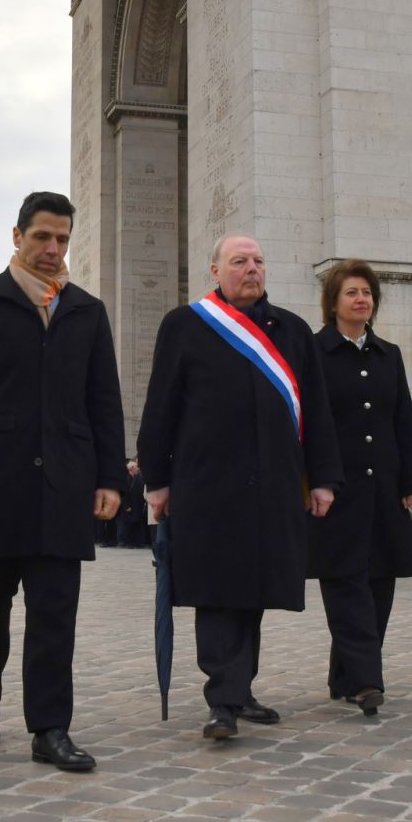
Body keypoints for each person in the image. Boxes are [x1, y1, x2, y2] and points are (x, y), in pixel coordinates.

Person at [0, 191, 125, 771]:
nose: (52, 249)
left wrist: (111, 477)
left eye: (62, 239)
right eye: (42, 236)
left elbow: (104, 401)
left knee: (55, 613)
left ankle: (50, 728)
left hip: (64, 483)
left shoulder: (87, 310)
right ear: (17, 236)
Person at [137, 235, 343, 740]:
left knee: (255, 588)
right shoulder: (185, 326)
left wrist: (323, 479)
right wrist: (157, 480)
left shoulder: (293, 332)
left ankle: (240, 688)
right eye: (239, 262)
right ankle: (222, 699)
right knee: (216, 588)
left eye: (258, 262)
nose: (251, 269)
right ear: (215, 271)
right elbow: (161, 404)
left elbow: (316, 411)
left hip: (273, 482)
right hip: (207, 482)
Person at [308, 260, 412, 717]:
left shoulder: (388, 353)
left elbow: (402, 420)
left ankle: (343, 674)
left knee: (380, 584)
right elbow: (310, 423)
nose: (362, 300)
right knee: (346, 583)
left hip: (385, 489)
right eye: (352, 293)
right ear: (333, 302)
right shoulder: (314, 352)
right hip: (337, 489)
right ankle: (365, 680)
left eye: (368, 293)